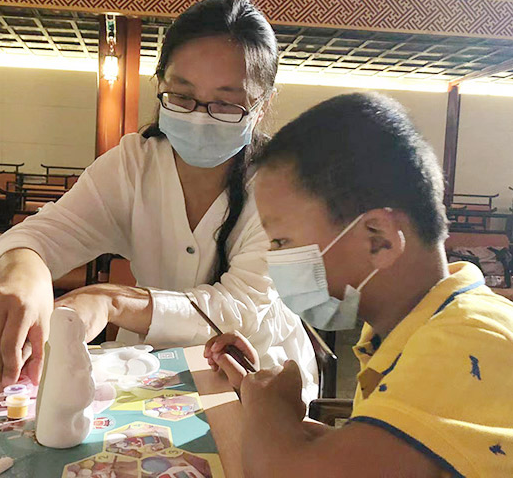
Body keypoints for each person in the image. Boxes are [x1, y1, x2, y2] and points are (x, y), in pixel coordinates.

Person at [0, 0, 318, 402]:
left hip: (258, 378)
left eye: (225, 103)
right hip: (150, 371)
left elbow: (237, 306)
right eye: (182, 96)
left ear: (262, 105)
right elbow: (43, 236)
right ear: (160, 84)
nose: (199, 116)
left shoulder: (283, 186)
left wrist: (109, 299)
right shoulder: (134, 165)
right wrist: (22, 274)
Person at [206, 93, 513, 477]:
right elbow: (367, 455)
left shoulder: (465, 341)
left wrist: (270, 413)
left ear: (378, 239)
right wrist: (256, 394)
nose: (273, 259)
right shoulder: (406, 330)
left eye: (281, 241)